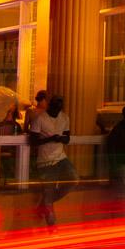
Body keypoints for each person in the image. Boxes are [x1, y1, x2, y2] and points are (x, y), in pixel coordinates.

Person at [28, 93, 75, 225]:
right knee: (48, 191)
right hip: (45, 160)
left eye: (59, 108)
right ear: (50, 105)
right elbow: (33, 141)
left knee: (73, 179)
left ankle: (44, 204)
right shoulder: (40, 119)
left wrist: (62, 139)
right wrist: (50, 139)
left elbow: (67, 138)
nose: (57, 110)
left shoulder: (64, 118)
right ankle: (51, 227)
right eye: (55, 107)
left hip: (61, 157)